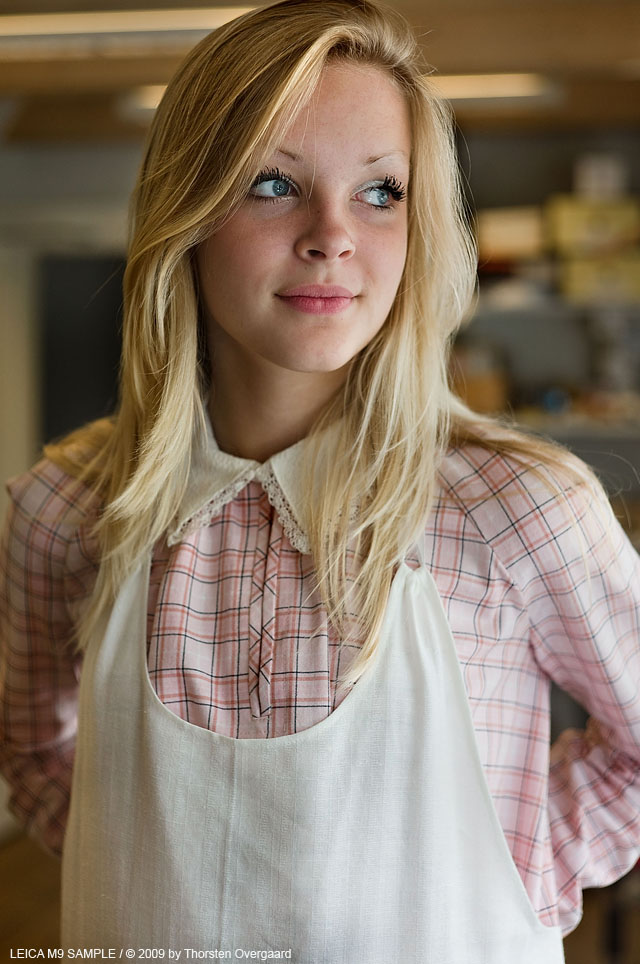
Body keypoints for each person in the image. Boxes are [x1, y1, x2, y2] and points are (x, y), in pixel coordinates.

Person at [1, 0, 639, 959]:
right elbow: (34, 749)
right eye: (272, 183)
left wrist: (520, 872)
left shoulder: (518, 510)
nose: (333, 235)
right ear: (189, 212)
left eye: (381, 192)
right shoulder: (66, 509)